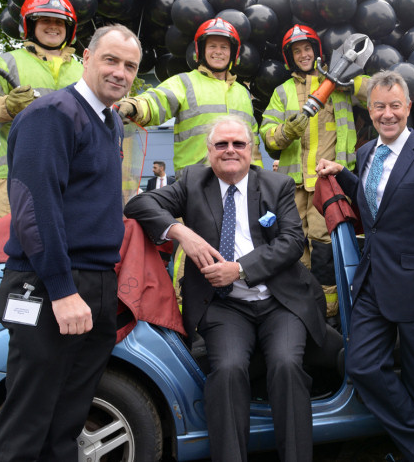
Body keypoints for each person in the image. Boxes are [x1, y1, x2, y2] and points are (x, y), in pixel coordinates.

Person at [124, 116, 326, 462]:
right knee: (228, 370)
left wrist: (240, 269)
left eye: (238, 144)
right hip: (224, 305)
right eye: (221, 145)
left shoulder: (276, 184)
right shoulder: (192, 181)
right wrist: (181, 232)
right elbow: (138, 205)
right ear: (209, 151)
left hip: (280, 301)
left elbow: (293, 241)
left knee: (286, 365)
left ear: (251, 150)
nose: (230, 151)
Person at [0, 24, 141, 461]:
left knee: (66, 423)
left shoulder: (108, 121)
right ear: (86, 58)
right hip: (50, 284)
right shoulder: (54, 112)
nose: (120, 73)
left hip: (94, 283)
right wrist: (61, 289)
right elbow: (35, 207)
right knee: (28, 421)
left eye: (130, 66)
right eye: (110, 60)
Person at [316, 70, 414, 462]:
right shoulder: (366, 154)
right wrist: (342, 175)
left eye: (395, 106)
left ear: (408, 107)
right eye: (379, 106)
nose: (387, 114)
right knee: (362, 366)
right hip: (373, 282)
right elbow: (376, 199)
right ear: (371, 108)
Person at [260, 24, 368, 292]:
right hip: (293, 187)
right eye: (297, 51)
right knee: (293, 247)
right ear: (290, 57)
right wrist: (286, 132)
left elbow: (376, 93)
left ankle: (329, 314)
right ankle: (298, 306)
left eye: (307, 48)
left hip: (329, 183)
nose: (303, 55)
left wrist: (347, 78)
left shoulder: (339, 85)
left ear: (317, 51)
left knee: (326, 249)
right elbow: (267, 136)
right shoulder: (282, 92)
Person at [0, 0, 82, 219]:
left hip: (71, 177)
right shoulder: (9, 62)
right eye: (44, 19)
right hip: (15, 175)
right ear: (29, 25)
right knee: (11, 248)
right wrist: (7, 105)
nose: (53, 26)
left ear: (69, 28)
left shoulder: (83, 70)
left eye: (59, 21)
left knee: (67, 249)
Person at [115, 17, 262, 172]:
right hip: (195, 183)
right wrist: (135, 106)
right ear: (200, 50)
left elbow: (252, 142)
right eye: (212, 46)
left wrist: (256, 180)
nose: (218, 52)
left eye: (224, 47)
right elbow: (157, 100)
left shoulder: (243, 93)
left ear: (233, 53)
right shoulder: (184, 83)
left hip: (239, 182)